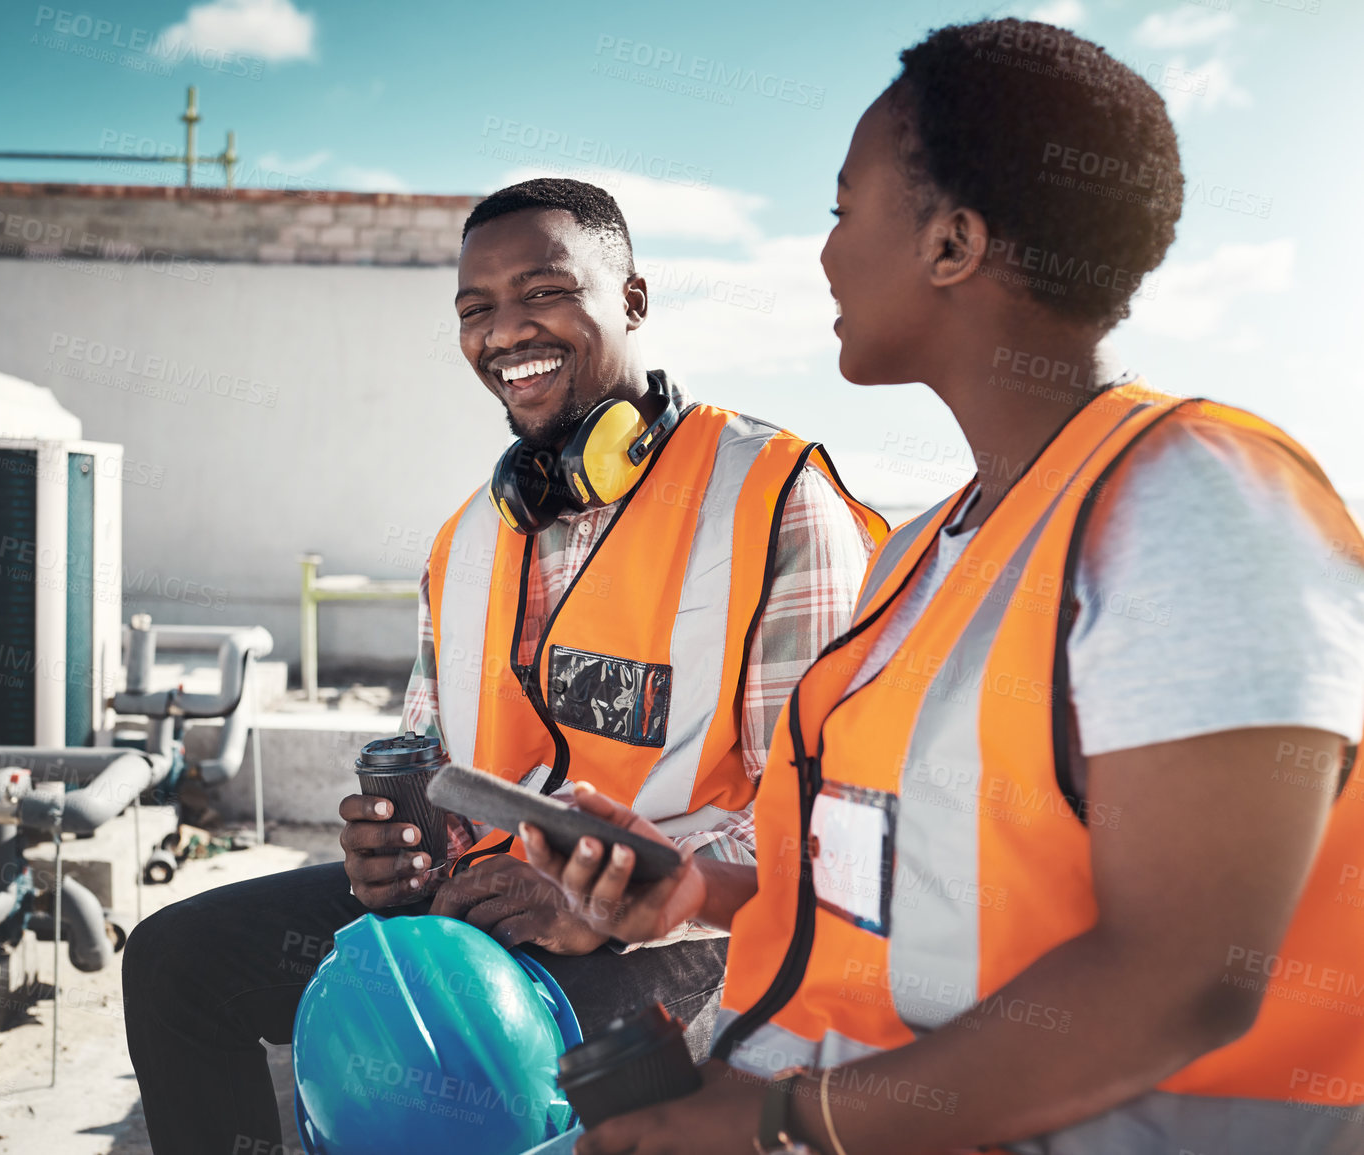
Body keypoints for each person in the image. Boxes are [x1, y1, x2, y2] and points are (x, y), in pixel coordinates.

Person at [522, 20, 1364, 1155]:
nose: (822, 255)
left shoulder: (1196, 499)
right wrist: (694, 894)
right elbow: (904, 873)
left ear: (954, 243)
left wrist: (784, 1123)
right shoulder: (928, 549)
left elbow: (1184, 979)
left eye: (842, 209)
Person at [121, 177, 884, 1155]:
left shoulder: (775, 499)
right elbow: (440, 758)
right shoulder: (467, 537)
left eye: (543, 293)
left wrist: (603, 909)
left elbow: (826, 831)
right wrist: (400, 849)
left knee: (444, 1059)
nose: (504, 331)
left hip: (691, 942)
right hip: (480, 911)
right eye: (476, 311)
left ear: (634, 302)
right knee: (179, 962)